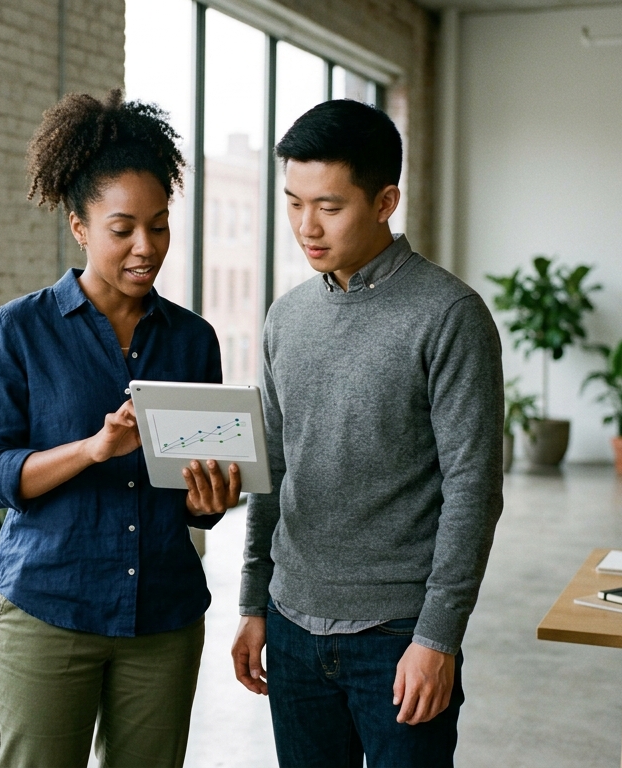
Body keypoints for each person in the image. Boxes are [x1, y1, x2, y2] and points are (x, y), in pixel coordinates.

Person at [0, 90, 242, 768]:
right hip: (49, 610)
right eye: (123, 229)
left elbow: (197, 491)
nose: (146, 248)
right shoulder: (21, 330)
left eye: (159, 225)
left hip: (164, 618)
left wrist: (211, 501)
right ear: (79, 226)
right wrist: (92, 449)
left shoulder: (193, 340)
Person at [229, 99, 504, 768]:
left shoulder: (450, 316)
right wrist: (253, 599)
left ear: (386, 201)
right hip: (292, 625)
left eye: (328, 206)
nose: (305, 226)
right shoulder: (285, 319)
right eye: (293, 203)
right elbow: (273, 469)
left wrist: (438, 637)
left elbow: (473, 491)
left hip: (398, 635)